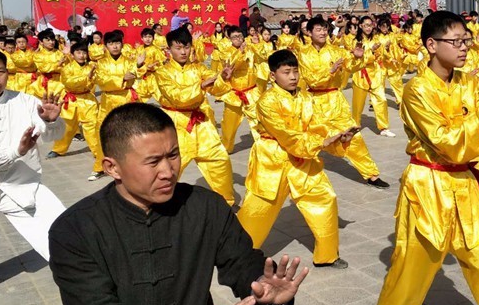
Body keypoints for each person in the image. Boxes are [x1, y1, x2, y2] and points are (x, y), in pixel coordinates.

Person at [48, 103, 307, 305]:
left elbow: (240, 260)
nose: (168, 171)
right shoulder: (75, 229)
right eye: (153, 162)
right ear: (112, 167)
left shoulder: (205, 206)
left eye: (173, 155)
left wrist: (263, 286)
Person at [370, 11, 479, 305]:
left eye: (466, 40)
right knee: (407, 278)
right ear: (431, 45)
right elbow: (449, 144)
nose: (464, 47)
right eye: (455, 41)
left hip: (465, 188)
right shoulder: (416, 91)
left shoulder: (467, 81)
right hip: (428, 189)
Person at [0, 48, 66, 291]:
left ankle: (87, 284)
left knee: (66, 234)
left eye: (0, 71)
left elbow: (54, 136)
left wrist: (51, 121)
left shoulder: (27, 102)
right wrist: (16, 151)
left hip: (20, 184)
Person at [237, 50, 355, 269]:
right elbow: (287, 136)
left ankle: (327, 255)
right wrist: (321, 143)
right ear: (273, 76)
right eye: (286, 72)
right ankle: (236, 255)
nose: (293, 77)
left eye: (295, 71)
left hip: (303, 159)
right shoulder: (267, 102)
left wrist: (337, 138)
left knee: (324, 199)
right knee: (258, 210)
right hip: (273, 160)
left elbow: (318, 126)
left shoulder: (305, 98)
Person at [298, 16, 390, 188]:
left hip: (335, 101)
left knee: (353, 135)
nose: (323, 32)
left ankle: (371, 174)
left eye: (324, 29)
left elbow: (351, 66)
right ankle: (303, 173)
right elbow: (312, 80)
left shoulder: (336, 51)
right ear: (309, 33)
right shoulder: (303, 54)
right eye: (318, 29)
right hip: (315, 103)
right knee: (313, 138)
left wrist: (357, 58)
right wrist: (330, 71)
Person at [154, 28, 237, 206]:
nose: (183, 52)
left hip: (201, 123)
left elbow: (215, 87)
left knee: (219, 160)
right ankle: (160, 203)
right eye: (178, 48)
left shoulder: (199, 68)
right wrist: (201, 86)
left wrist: (222, 78)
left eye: (186, 47)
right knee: (171, 167)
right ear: (169, 50)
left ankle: (227, 203)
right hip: (176, 125)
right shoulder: (163, 73)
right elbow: (178, 97)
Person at [47, 42, 104, 180]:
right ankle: (58, 149)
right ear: (72, 55)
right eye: (78, 52)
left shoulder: (92, 67)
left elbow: (95, 82)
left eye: (84, 53)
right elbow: (69, 82)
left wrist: (92, 76)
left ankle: (98, 153)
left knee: (92, 127)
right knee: (67, 127)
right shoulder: (67, 68)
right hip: (71, 100)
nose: (82, 55)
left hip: (87, 100)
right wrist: (87, 77)